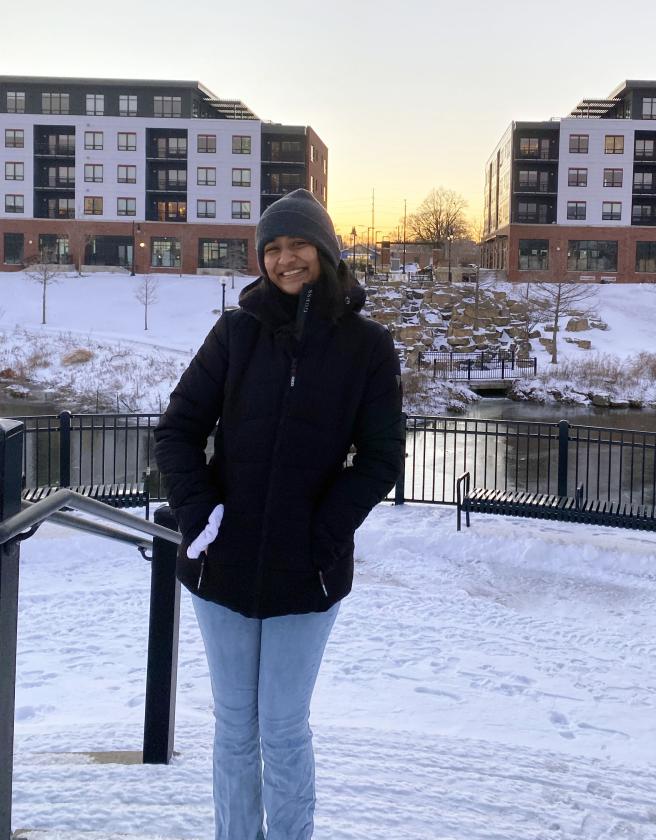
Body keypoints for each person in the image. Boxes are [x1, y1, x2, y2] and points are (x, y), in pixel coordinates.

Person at [154, 189, 405, 839]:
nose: (285, 259)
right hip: (222, 566)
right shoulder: (236, 332)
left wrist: (321, 535)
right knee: (235, 728)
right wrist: (199, 515)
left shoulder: (367, 347)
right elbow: (177, 431)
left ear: (325, 251)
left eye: (297, 245)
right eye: (271, 249)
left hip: (308, 574)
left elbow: (380, 460)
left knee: (284, 730)